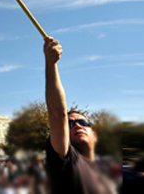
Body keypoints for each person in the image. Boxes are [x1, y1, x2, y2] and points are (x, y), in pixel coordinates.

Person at [43, 37, 117, 194]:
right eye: (70, 124)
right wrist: (51, 64)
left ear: (95, 135)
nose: (77, 125)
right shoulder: (67, 160)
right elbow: (58, 114)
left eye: (83, 122)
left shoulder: (106, 174)